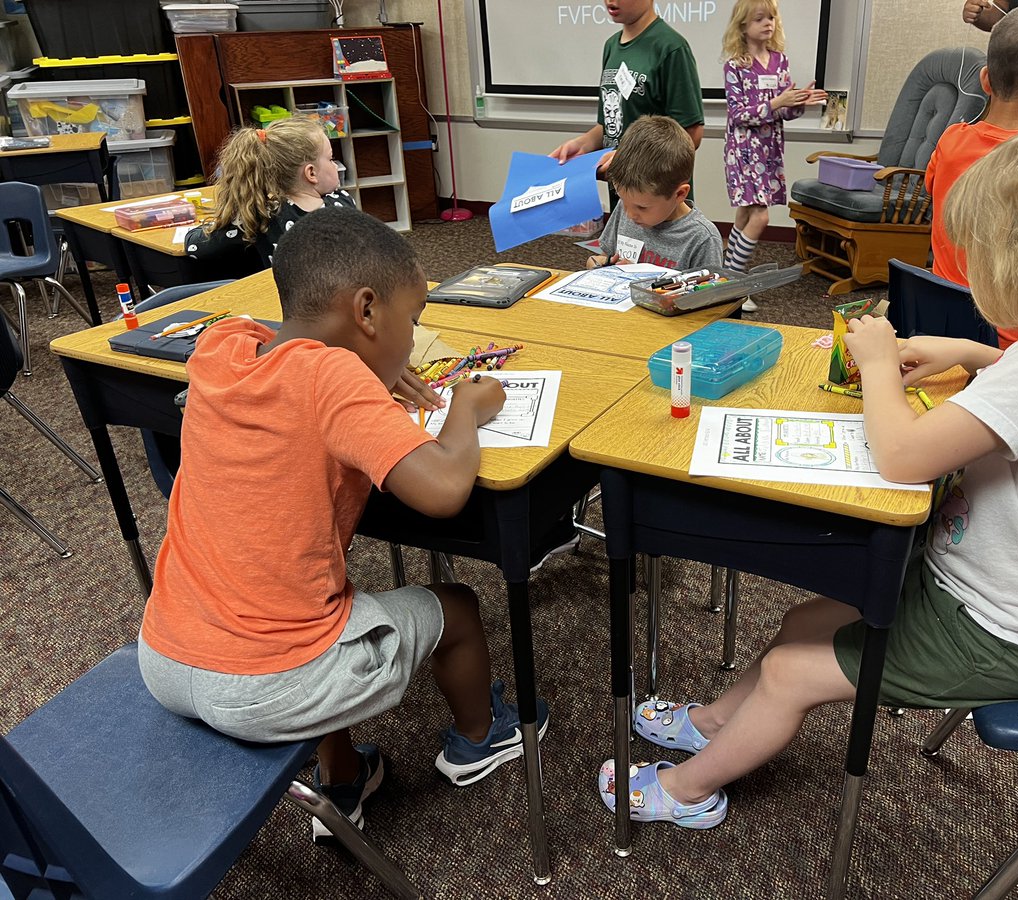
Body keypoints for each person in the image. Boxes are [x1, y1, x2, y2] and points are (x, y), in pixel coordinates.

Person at [599, 118, 1018, 830]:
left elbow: (900, 455)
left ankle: (686, 792)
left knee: (787, 673)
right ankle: (711, 721)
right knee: (804, 619)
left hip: (1006, 626)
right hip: (1010, 588)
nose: (969, 272)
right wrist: (972, 350)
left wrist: (874, 363)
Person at [139, 207, 549, 842]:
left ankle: (345, 776)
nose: (414, 341)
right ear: (366, 311)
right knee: (459, 610)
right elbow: (442, 489)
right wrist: (466, 406)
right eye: (411, 323)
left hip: (164, 655)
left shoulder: (222, 348)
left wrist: (371, 377)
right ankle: (481, 739)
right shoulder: (332, 377)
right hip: (270, 684)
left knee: (327, 605)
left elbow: (297, 381)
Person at [928, 2, 1018, 349]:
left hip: (939, 325)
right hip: (1013, 346)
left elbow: (932, 187)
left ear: (985, 80)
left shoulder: (951, 140)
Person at [721, 0, 826, 311]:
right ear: (742, 25)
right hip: (743, 152)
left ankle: (725, 278)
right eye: (758, 19)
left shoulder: (779, 62)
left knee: (744, 215)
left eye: (771, 17)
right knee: (760, 217)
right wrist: (778, 101)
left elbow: (784, 112)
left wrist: (799, 102)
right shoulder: (735, 66)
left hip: (769, 152)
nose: (767, 24)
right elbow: (739, 115)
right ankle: (735, 287)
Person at [549, 0, 703, 194]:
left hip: (658, 198)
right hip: (622, 192)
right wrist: (583, 144)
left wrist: (630, 158)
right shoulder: (611, 46)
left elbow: (691, 134)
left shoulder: (671, 47)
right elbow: (609, 124)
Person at [185, 117, 355, 268]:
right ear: (311, 173)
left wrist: (207, 225)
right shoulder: (343, 203)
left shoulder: (264, 213)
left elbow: (195, 246)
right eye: (331, 159)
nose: (335, 165)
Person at [584, 115, 722, 272]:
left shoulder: (701, 239)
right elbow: (602, 258)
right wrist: (601, 263)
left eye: (642, 207)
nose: (629, 214)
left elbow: (708, 294)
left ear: (679, 194)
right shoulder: (626, 208)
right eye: (622, 199)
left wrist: (642, 278)